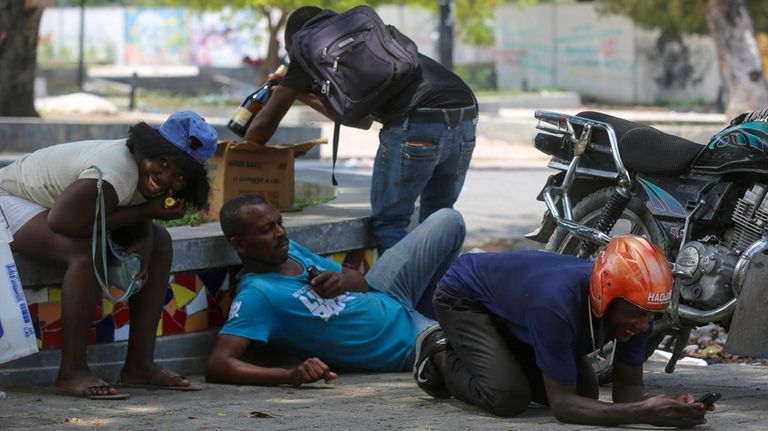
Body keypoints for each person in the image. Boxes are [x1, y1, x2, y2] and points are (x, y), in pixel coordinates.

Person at [0, 111, 217, 399]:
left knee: (161, 242)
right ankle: (72, 372)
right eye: (161, 162)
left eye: (178, 176)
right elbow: (63, 222)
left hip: (65, 209)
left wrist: (145, 238)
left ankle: (140, 365)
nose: (165, 178)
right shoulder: (115, 171)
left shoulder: (144, 175)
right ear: (147, 149)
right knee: (83, 253)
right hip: (11, 198)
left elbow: (127, 211)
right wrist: (145, 214)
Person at [244, 6, 477, 256]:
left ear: (293, 42)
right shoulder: (364, 36)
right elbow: (362, 120)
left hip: (416, 117)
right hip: (464, 108)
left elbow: (264, 125)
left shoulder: (306, 50)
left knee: (390, 221)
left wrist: (237, 163)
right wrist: (303, 95)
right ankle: (438, 293)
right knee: (439, 219)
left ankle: (396, 296)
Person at [413, 235, 714, 427]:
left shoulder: (638, 305)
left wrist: (669, 406)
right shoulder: (555, 303)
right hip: (466, 297)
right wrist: (641, 414)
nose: (644, 325)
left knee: (586, 391)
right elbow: (563, 407)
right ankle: (437, 351)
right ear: (606, 296)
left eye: (652, 315)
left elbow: (627, 391)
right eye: (636, 314)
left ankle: (501, 353)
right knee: (507, 397)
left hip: (522, 306)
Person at [204, 194, 465, 386]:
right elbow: (218, 365)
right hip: (404, 341)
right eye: (267, 230)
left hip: (387, 293)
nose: (281, 233)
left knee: (449, 220)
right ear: (239, 244)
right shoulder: (257, 295)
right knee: (476, 344)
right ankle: (436, 332)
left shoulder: (291, 250)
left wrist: (342, 282)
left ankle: (437, 319)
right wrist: (289, 375)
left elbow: (360, 281)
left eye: (280, 222)